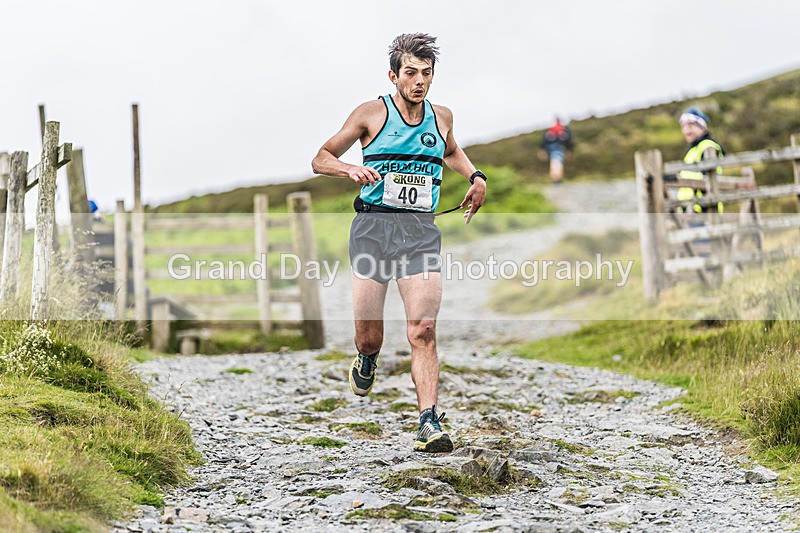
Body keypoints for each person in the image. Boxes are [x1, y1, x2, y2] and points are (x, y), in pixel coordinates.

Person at [311, 33, 487, 453]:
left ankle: (429, 421)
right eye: (411, 73)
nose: (419, 81)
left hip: (419, 232)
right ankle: (367, 358)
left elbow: (451, 151)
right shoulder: (371, 113)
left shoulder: (441, 116)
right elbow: (320, 158)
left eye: (426, 73)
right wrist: (349, 169)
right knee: (369, 335)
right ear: (394, 76)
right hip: (372, 230)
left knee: (423, 329)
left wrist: (476, 177)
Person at [677, 107, 725, 213]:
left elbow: (708, 177)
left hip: (703, 208)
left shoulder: (708, 146)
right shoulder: (692, 150)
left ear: (701, 127)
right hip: (689, 209)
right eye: (684, 127)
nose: (686, 131)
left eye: (690, 126)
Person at [539, 118, 573, 183]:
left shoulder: (549, 129)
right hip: (560, 147)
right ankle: (557, 178)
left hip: (551, 148)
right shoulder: (564, 129)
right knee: (558, 162)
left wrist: (542, 149)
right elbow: (569, 141)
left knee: (554, 161)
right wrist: (569, 150)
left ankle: (555, 178)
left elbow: (544, 141)